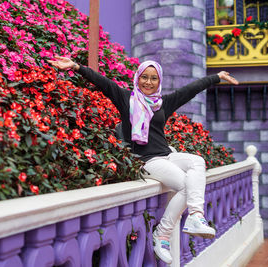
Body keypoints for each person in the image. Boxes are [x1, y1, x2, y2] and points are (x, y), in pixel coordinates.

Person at [48, 56, 239, 264]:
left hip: (167, 155)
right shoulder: (126, 100)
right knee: (185, 185)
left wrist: (216, 77)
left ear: (159, 81)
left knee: (197, 162)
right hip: (147, 161)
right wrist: (76, 66)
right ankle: (163, 234)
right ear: (137, 78)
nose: (148, 82)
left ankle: (195, 216)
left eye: (154, 78)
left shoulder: (162, 104)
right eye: (144, 77)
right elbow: (102, 82)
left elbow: (190, 90)